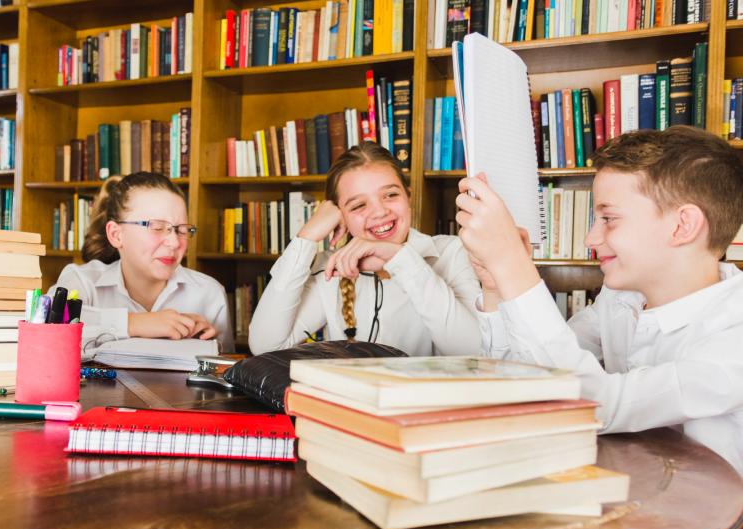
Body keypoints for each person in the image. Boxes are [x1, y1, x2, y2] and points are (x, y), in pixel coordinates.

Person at [455, 126, 743, 474]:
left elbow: (596, 403)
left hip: (713, 523)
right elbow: (533, 377)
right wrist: (497, 288)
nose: (591, 238)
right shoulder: (621, 297)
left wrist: (512, 265)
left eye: (609, 218)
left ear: (683, 226)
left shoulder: (734, 335)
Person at [248, 141, 482, 356]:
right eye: (359, 205)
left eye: (390, 195)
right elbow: (265, 346)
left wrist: (400, 258)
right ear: (341, 217)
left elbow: (473, 354)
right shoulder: (330, 269)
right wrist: (307, 237)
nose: (380, 212)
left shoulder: (451, 252)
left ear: (408, 197)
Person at [51, 172, 233, 352]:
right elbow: (49, 327)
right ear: (116, 235)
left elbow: (230, 372)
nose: (175, 242)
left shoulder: (209, 293)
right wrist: (134, 323)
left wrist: (209, 345)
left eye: (182, 230)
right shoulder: (83, 281)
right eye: (157, 227)